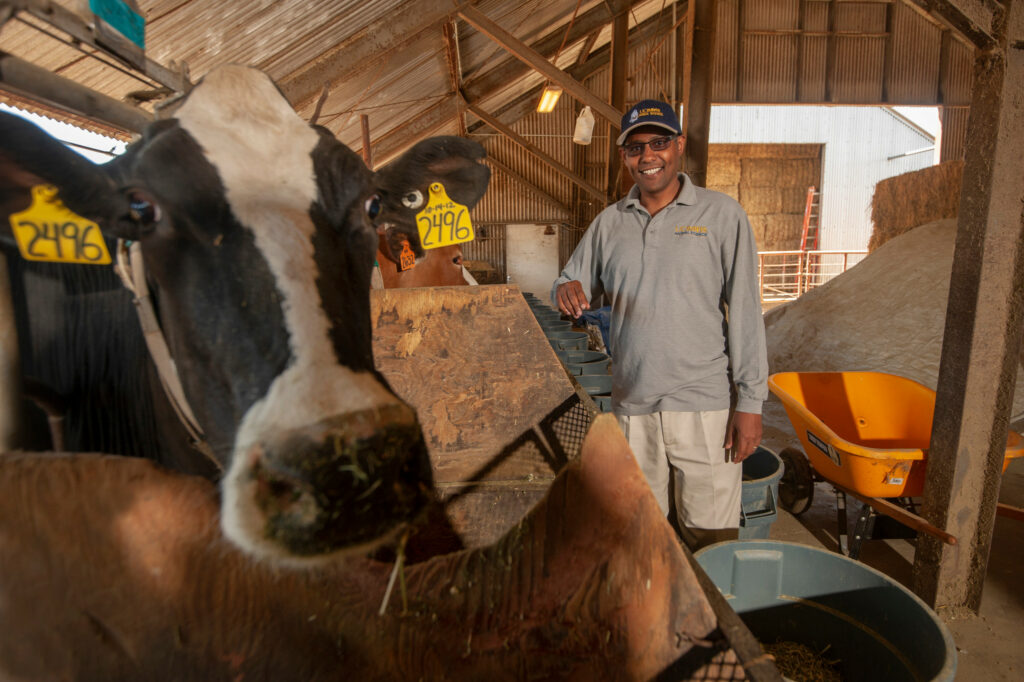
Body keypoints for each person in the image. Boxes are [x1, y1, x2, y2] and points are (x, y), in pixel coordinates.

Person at [551, 99, 768, 549]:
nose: (647, 156)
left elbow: (746, 311)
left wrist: (750, 401)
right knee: (641, 534)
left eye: (659, 143)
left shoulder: (722, 216)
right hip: (633, 404)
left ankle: (708, 618)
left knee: (712, 538)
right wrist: (566, 288)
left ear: (679, 146)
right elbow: (571, 277)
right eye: (635, 148)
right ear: (623, 157)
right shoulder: (610, 223)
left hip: (703, 405)